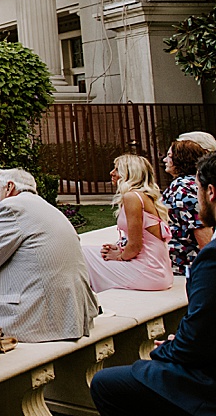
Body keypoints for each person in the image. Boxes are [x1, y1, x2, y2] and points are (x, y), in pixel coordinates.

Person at [90, 152, 216, 416]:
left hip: (206, 381)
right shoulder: (147, 197)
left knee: (105, 383)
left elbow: (196, 334)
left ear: (211, 193)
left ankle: (92, 313)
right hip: (160, 271)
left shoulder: (211, 259)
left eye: (198, 191)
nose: (111, 174)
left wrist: (170, 347)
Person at [0, 168, 99, 343]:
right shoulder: (47, 208)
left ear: (9, 187)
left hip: (37, 317)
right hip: (69, 313)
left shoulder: (11, 207)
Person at [83, 154, 173, 292]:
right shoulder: (144, 196)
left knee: (83, 255)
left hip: (148, 272)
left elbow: (136, 245)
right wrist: (120, 249)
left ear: (130, 173)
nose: (111, 173)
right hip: (158, 270)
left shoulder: (132, 197)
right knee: (87, 251)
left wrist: (120, 257)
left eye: (117, 169)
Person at [161, 138, 212, 277]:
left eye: (169, 156)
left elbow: (201, 228)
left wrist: (208, 268)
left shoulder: (183, 188)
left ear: (181, 160)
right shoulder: (193, 183)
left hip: (184, 263)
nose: (165, 160)